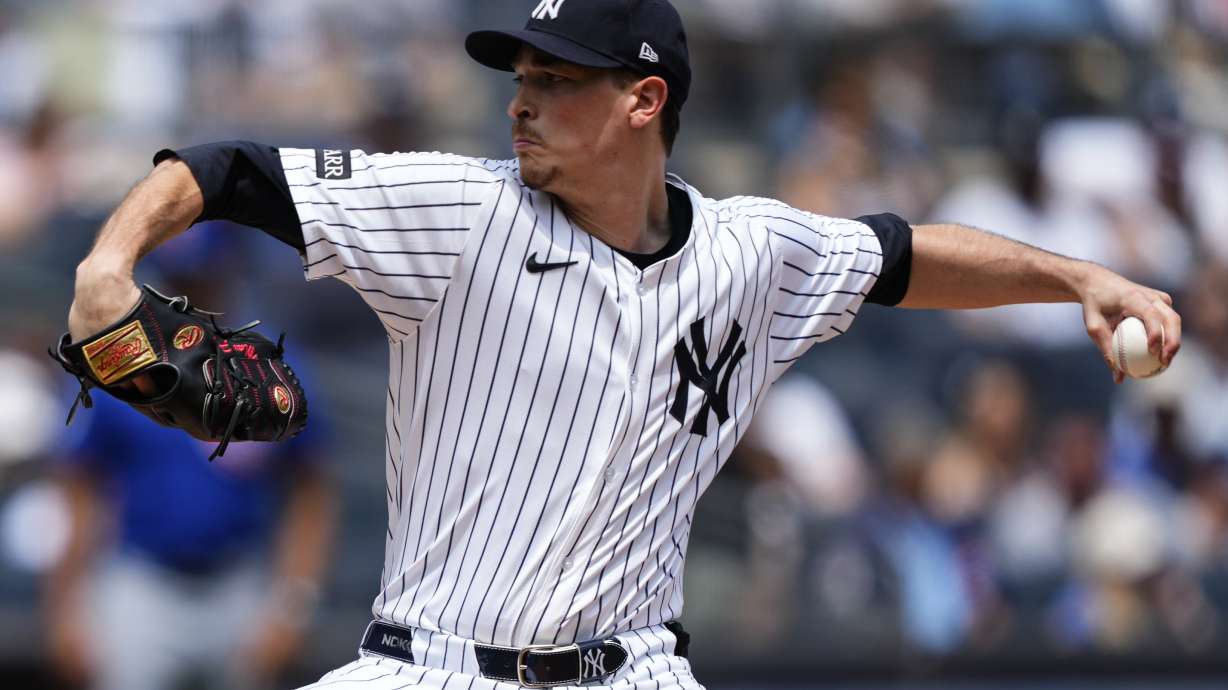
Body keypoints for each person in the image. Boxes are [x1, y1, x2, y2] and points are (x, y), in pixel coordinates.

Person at [61, 2, 1181, 688]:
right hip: (431, 668)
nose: (521, 103)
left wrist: (1079, 276)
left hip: (634, 670)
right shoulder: (459, 212)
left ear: (644, 100)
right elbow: (226, 169)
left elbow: (904, 256)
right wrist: (107, 268)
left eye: (556, 81)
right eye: (520, 78)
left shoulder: (753, 252)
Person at [47, 242, 337, 690]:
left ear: (229, 272)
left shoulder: (271, 369)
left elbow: (310, 490)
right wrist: (67, 609)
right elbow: (80, 490)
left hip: (237, 584)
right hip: (139, 584)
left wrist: (293, 604)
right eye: (180, 282)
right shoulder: (124, 370)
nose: (190, 296)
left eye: (202, 278)